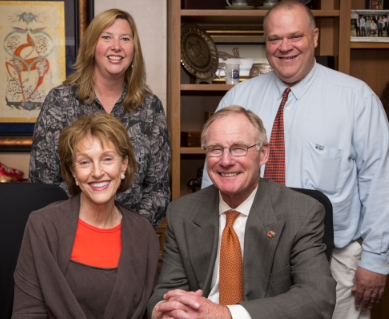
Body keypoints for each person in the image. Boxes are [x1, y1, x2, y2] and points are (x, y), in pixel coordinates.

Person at [201, 1, 389, 318]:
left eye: (295, 36)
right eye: (275, 38)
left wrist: (376, 259)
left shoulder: (357, 99)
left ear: (315, 37)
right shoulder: (238, 98)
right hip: (252, 254)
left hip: (336, 259)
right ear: (266, 42)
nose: (284, 47)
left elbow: (379, 182)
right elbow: (215, 176)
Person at [148, 105, 336, 319]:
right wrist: (165, 312)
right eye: (215, 149)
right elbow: (166, 292)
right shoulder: (181, 212)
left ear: (263, 153)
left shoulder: (302, 212)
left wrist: (227, 315)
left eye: (239, 148)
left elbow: (317, 298)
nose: (226, 161)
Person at [28, 8, 171, 229]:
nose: (117, 46)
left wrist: (130, 232)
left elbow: (158, 190)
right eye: (106, 37)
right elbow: (42, 184)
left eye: (125, 38)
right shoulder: (59, 102)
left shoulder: (150, 107)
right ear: (92, 46)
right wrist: (81, 231)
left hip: (130, 237)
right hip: (69, 234)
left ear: (134, 49)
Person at [13, 113, 159, 318]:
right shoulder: (43, 226)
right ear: (73, 172)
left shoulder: (143, 233)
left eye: (107, 159)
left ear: (124, 164)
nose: (97, 172)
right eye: (84, 162)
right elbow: (27, 312)